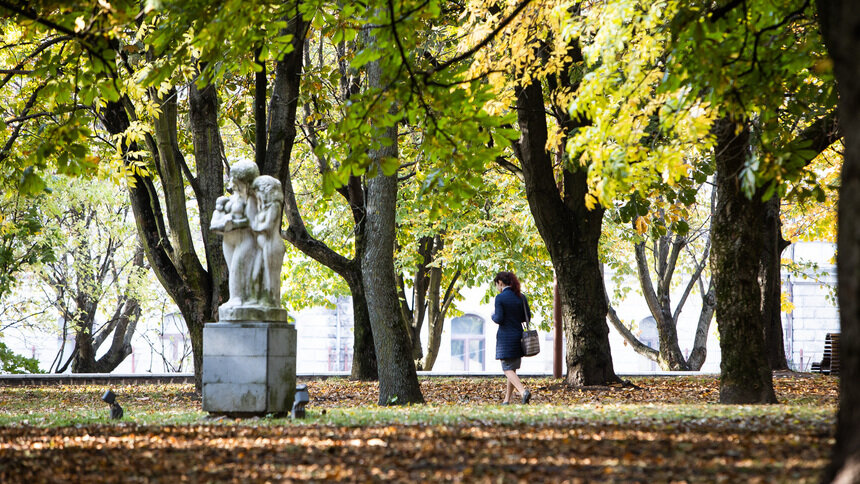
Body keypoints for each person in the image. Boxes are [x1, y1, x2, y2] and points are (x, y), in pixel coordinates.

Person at [492, 271, 532, 404]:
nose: (497, 287)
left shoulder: (500, 298)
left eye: (497, 284)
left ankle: (523, 392)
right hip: (519, 336)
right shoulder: (521, 297)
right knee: (512, 368)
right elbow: (527, 317)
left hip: (505, 338)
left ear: (501, 283)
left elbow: (498, 318)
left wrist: (492, 315)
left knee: (507, 369)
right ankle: (506, 400)